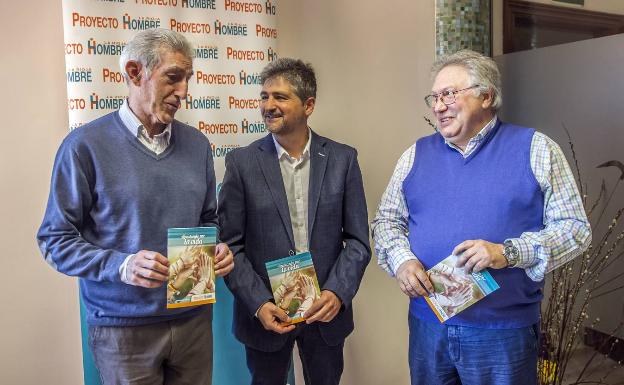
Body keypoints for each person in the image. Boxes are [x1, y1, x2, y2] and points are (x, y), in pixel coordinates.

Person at [371, 49, 591, 385]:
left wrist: (509, 253)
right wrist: (402, 261)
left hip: (503, 333)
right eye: (434, 96)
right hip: (428, 327)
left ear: (486, 96)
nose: (438, 105)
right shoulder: (414, 154)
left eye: (449, 94)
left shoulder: (537, 149)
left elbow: (575, 230)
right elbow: (386, 221)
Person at [37, 28, 233, 385]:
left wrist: (217, 247)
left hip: (194, 323)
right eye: (173, 77)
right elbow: (55, 240)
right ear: (133, 72)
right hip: (122, 332)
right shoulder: (83, 147)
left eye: (188, 79)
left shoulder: (198, 146)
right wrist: (121, 265)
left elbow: (208, 219)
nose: (184, 92)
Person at [218, 58, 370, 385]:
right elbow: (231, 246)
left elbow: (358, 241)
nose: (268, 105)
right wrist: (258, 303)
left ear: (309, 104)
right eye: (264, 97)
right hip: (267, 315)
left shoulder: (343, 160)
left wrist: (338, 293)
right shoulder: (242, 163)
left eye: (280, 97)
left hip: (324, 313)